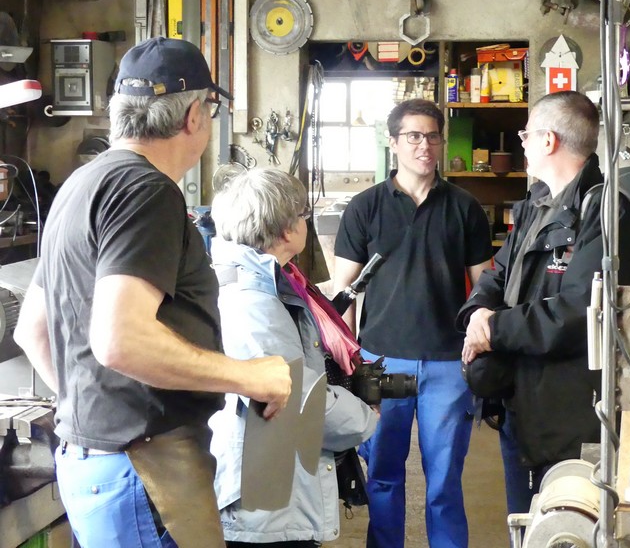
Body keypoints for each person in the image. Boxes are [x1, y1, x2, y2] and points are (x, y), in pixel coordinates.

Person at [12, 37, 292, 548]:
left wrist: (96, 418)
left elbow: (33, 330)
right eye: (210, 110)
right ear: (194, 116)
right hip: (146, 469)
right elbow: (121, 340)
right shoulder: (147, 192)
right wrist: (248, 376)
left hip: (93, 463)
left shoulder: (80, 184)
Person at [457, 90, 630, 516]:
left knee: (567, 528)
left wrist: (493, 329)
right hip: (520, 403)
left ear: (548, 140)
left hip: (570, 416)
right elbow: (496, 274)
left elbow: (579, 311)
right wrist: (477, 314)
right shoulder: (534, 206)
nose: (521, 144)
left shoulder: (605, 212)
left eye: (525, 135)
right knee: (525, 525)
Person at [333, 98, 493, 548]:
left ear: (441, 141)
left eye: (432, 136)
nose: (425, 145)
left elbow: (485, 286)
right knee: (383, 476)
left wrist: (481, 340)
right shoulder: (365, 207)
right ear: (394, 142)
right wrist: (348, 363)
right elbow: (344, 292)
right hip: (380, 363)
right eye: (414, 136)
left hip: (448, 363)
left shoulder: (465, 208)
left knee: (444, 482)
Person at [208, 168, 379, 547]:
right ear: (286, 230)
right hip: (267, 497)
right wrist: (364, 417)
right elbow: (297, 400)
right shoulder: (254, 301)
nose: (306, 222)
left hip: (273, 482)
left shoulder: (272, 284)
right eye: (303, 214)